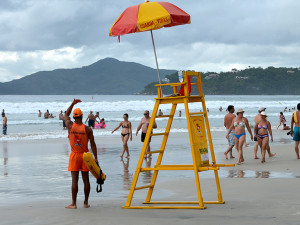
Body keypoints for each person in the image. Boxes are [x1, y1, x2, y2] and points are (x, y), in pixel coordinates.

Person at [65, 99, 98, 209]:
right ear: (82, 116)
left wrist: (72, 104)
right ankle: (85, 202)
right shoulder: (88, 129)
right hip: (85, 156)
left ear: (74, 117)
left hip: (74, 155)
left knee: (75, 180)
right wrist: (96, 158)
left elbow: (66, 114)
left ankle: (74, 204)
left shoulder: (70, 125)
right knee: (86, 180)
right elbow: (93, 144)